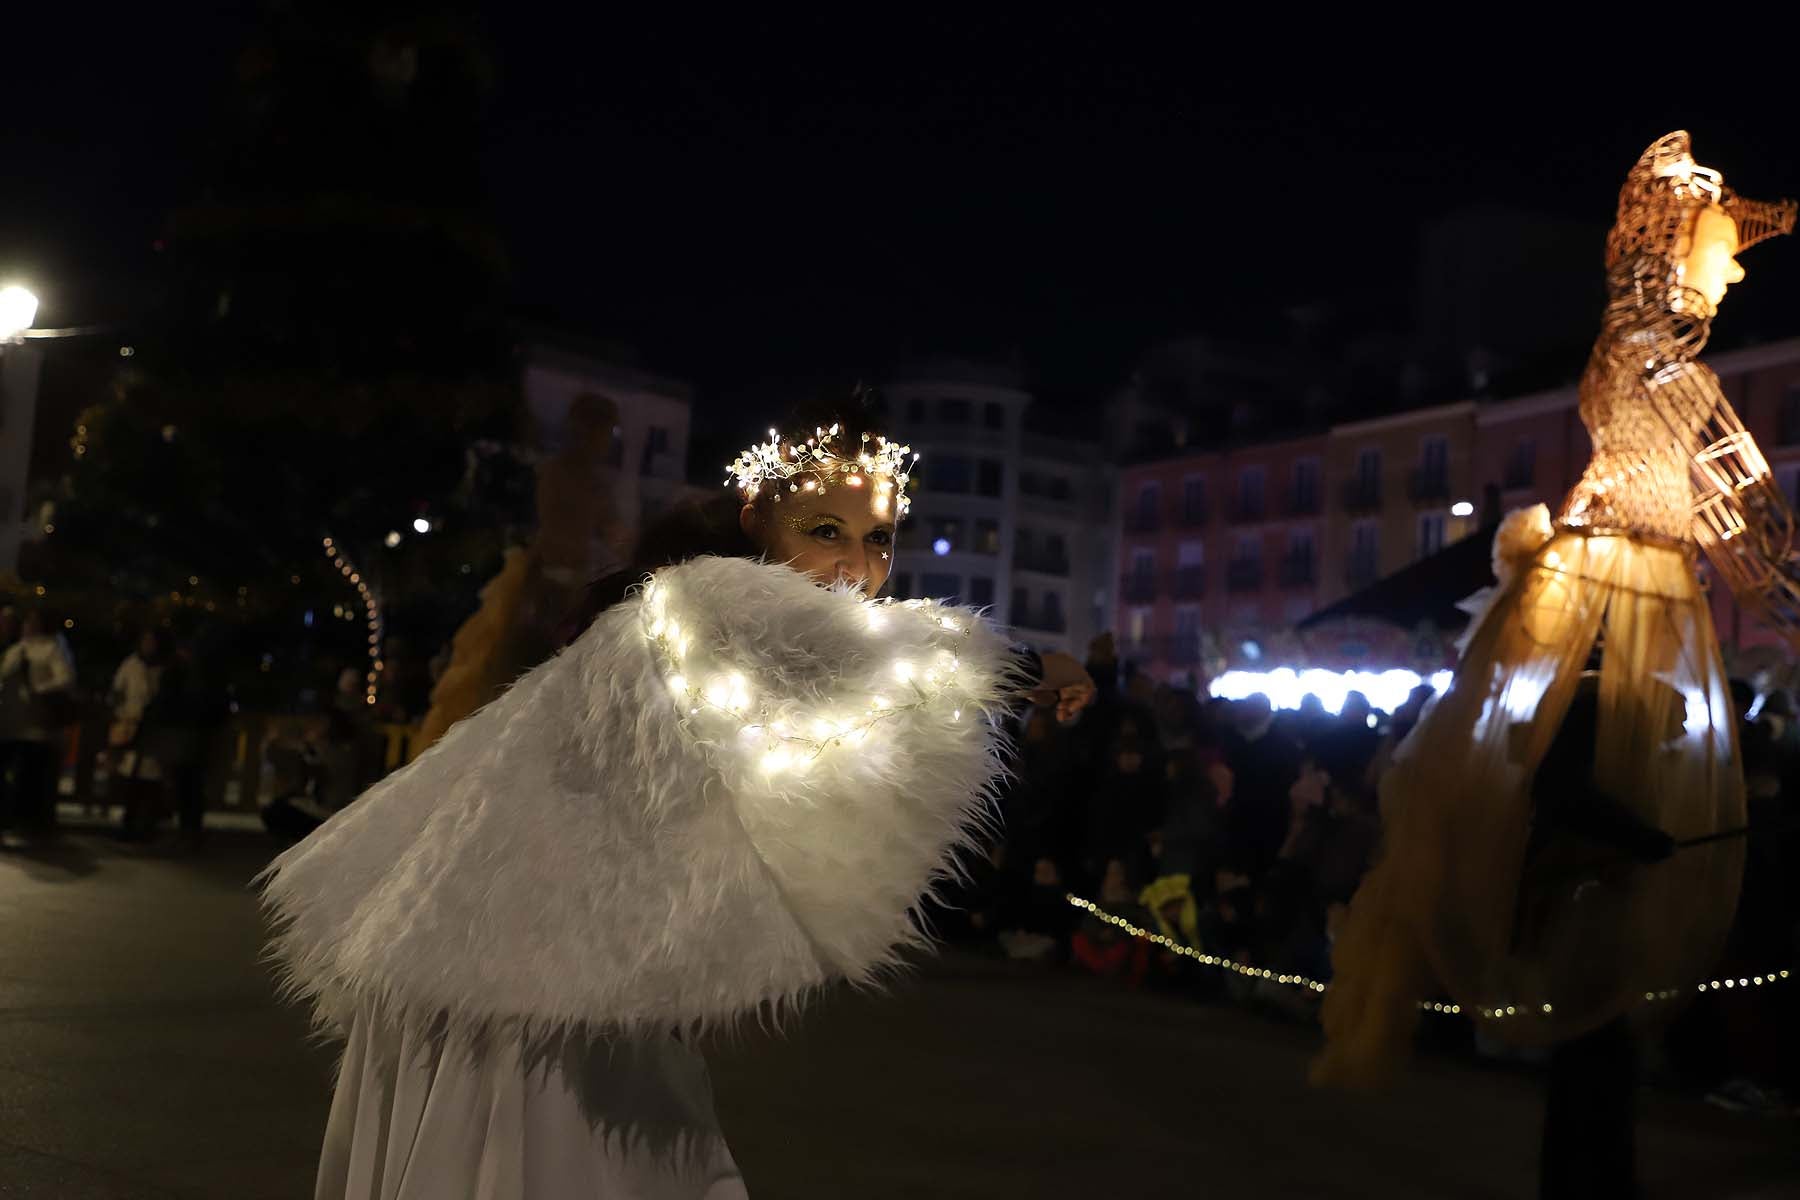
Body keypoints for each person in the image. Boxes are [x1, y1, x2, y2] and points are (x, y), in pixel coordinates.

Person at [258, 395, 1096, 1199]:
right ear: (755, 521)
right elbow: (861, 661)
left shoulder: (685, 614)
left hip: (510, 965)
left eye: (879, 539)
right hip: (516, 986)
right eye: (825, 532)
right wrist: (1026, 669)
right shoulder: (708, 602)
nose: (857, 565)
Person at [1316, 132, 1793, 1087]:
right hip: (1630, 575)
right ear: (1672, 251)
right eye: (1722, 248)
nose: (1735, 272)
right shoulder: (1665, 369)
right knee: (1619, 744)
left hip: (1595, 568)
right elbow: (1749, 524)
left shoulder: (1623, 353)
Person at [0, 609, 77, 840]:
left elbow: (65, 678)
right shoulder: (16, 649)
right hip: (10, 721)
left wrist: (39, 689)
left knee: (30, 775)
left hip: (34, 724)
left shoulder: (50, 649)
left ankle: (27, 821)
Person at [108, 631, 168, 842]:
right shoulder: (131, 665)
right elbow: (118, 690)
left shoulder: (165, 669)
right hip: (131, 725)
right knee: (131, 777)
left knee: (150, 778)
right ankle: (129, 823)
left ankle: (147, 824)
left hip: (154, 729)